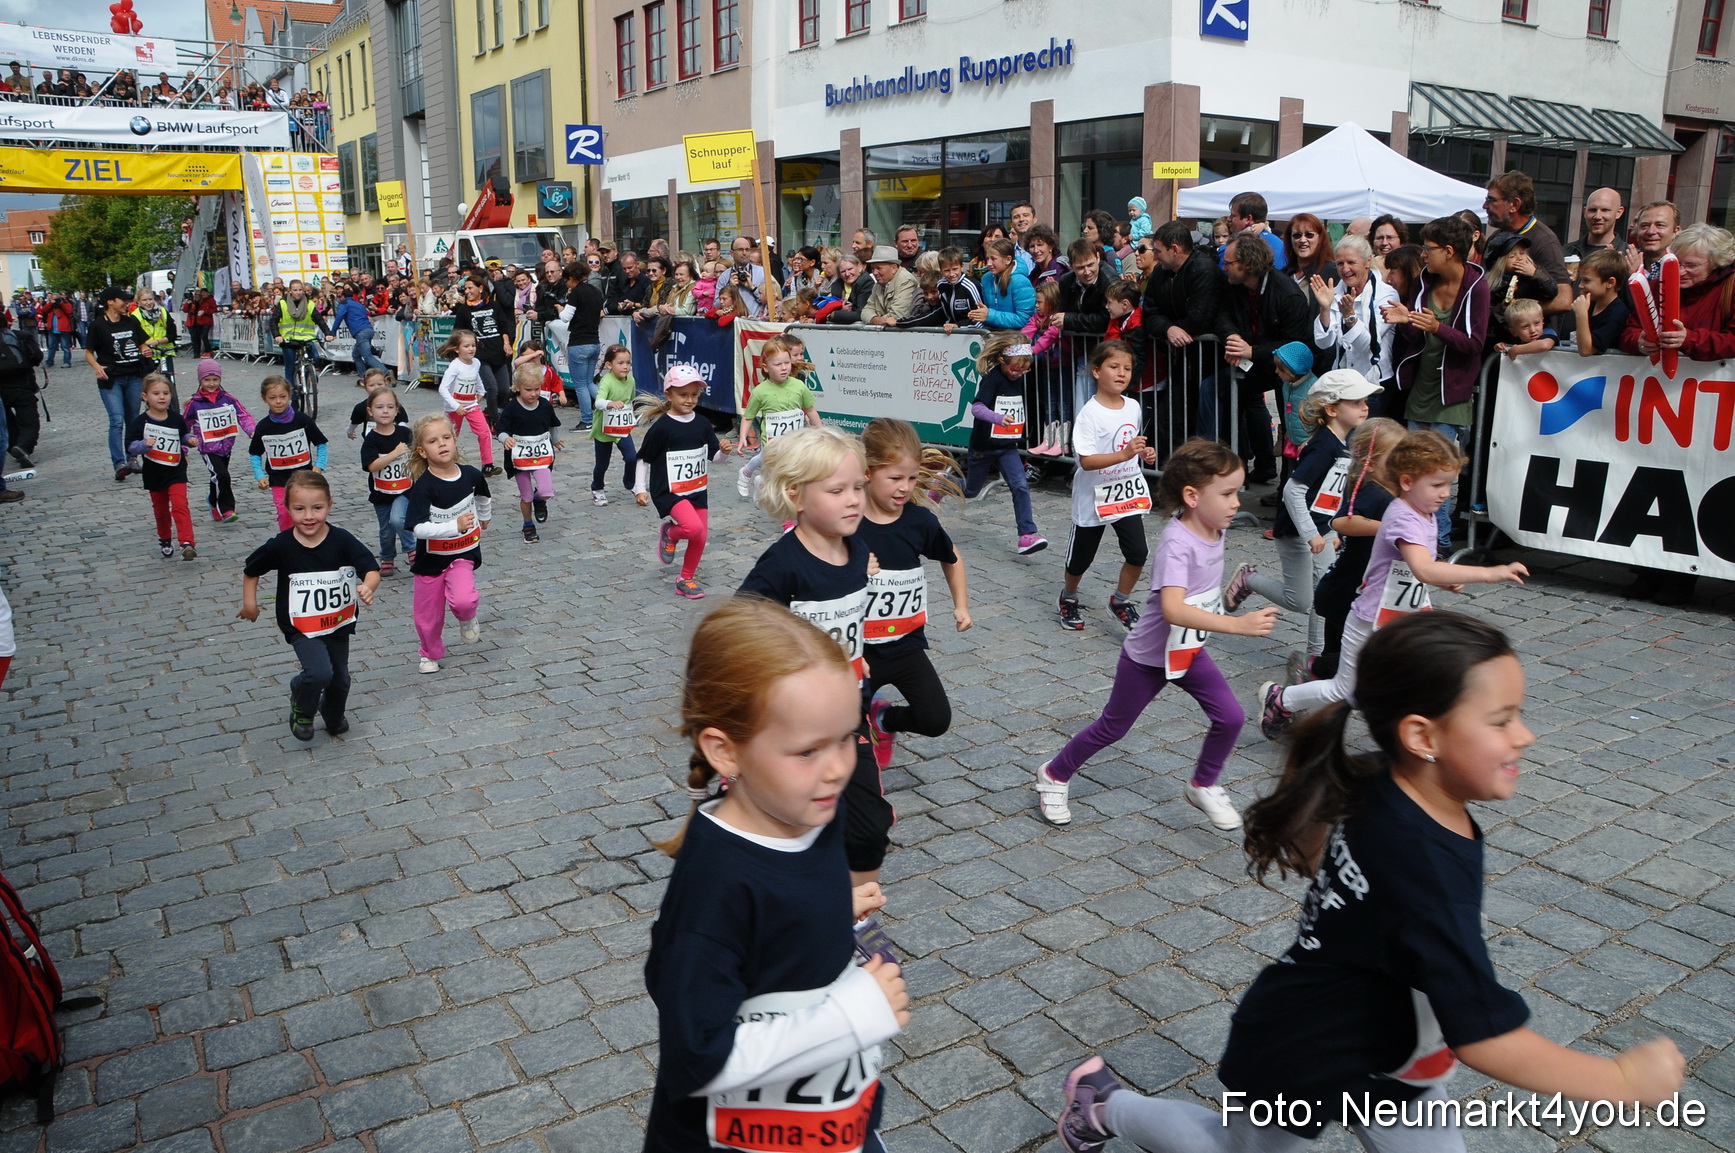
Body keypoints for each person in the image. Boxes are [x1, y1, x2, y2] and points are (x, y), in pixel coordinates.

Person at [1058, 613, 1686, 1153]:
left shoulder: (1384, 775)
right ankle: (1104, 1103)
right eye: (1501, 720)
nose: (1525, 735)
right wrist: (1623, 1084)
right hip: (1300, 1049)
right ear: (1422, 736)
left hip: (1401, 1062)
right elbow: (1488, 1039)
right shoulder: (1423, 873)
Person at [641, 597, 907, 1153]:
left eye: (846, 737)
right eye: (807, 750)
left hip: (834, 1121)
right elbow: (695, 1057)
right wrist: (850, 1017)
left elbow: (779, 916)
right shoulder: (716, 888)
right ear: (726, 751)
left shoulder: (807, 809)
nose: (837, 767)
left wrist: (832, 908)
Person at [1035, 437, 1276, 832]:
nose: (1237, 502)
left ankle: (1203, 784)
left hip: (1188, 652)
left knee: (1231, 717)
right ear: (1192, 496)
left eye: (1238, 492)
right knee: (1112, 727)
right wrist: (1237, 625)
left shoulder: (1216, 528)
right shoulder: (1177, 543)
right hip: (1148, 658)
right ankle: (1055, 773)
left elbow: (1202, 595)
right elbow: (1173, 608)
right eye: (1229, 493)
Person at [1259, 430, 1527, 738]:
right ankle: (1282, 699)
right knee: (1346, 690)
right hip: (1372, 618)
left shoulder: (1423, 513)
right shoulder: (1403, 517)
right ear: (1408, 482)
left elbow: (1417, 568)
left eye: (1449, 485)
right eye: (1437, 485)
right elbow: (1424, 569)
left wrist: (1445, 580)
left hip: (1400, 620)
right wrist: (1489, 573)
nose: (1445, 494)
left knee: (1397, 685)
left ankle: (1415, 741)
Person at [738, 427, 886, 875]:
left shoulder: (857, 548)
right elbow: (738, 631)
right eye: (837, 490)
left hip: (845, 717)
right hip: (793, 726)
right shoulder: (781, 566)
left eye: (859, 487)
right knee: (796, 825)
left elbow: (850, 621)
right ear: (795, 496)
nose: (855, 499)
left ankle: (856, 916)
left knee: (869, 827)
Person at [1231, 370, 1378, 666]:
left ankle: (1313, 659)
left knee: (1311, 598)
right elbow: (1293, 491)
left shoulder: (1345, 443)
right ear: (1333, 409)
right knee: (1307, 599)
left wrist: (1335, 530)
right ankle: (1314, 659)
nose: (1365, 407)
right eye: (1357, 401)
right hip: (1296, 530)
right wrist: (1312, 533)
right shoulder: (1324, 446)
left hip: (1321, 531)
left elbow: (1333, 493)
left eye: (1365, 401)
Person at [856, 418, 970, 773]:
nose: (904, 488)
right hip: (859, 651)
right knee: (845, 738)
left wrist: (961, 605)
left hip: (906, 646)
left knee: (936, 719)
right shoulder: (847, 520)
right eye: (895, 479)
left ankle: (886, 721)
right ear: (867, 472)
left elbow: (951, 558)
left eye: (911, 477)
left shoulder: (920, 522)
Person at [238, 469, 380, 742]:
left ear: (329, 505)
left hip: (337, 622)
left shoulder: (342, 540)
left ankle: (332, 713)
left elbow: (370, 569)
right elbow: (251, 570)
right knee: (319, 672)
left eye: (317, 508)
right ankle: (302, 709)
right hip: (301, 626)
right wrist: (250, 605)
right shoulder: (282, 545)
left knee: (340, 680)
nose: (309, 516)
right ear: (287, 508)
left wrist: (368, 586)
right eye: (299, 509)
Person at [1381, 215, 1490, 554]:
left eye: (1428, 249)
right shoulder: (1425, 280)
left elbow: (1474, 343)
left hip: (1452, 394)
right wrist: (1405, 320)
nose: (1423, 255)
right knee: (1414, 468)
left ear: (1449, 250)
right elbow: (1416, 332)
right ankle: (1416, 536)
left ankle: (1437, 542)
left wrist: (1436, 328)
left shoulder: (1477, 286)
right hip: (1421, 387)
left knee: (1437, 473)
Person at [1058, 341, 1156, 631]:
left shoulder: (1134, 407)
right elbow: (1086, 460)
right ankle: (1069, 596)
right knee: (1080, 559)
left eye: (1127, 368)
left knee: (1138, 553)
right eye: (1114, 367)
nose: (1122, 373)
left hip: (1125, 492)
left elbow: (1130, 442)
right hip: (1093, 495)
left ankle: (1121, 600)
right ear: (1096, 371)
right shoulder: (1088, 414)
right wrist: (1125, 453)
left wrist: (1143, 453)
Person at [1309, 417, 1404, 682]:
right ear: (1371, 464)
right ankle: (1311, 675)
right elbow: (1342, 521)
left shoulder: (1392, 490)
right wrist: (1386, 527)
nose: (1402, 465)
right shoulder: (1373, 491)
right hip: (1350, 584)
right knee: (1336, 657)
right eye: (1395, 458)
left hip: (1370, 584)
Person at [1217, 230, 1314, 485]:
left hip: (1288, 372)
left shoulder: (1286, 294)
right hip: (1256, 365)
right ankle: (1240, 470)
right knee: (1225, 390)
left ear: (1247, 264)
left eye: (1228, 263)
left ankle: (1288, 493)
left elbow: (1296, 344)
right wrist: (1233, 337)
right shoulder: (1234, 287)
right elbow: (1222, 315)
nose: (1223, 268)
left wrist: (1252, 351)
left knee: (1291, 427)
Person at [634, 363, 735, 600]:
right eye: (683, 395)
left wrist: (725, 452)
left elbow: (715, 459)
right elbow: (643, 459)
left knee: (700, 536)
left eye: (694, 395)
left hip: (697, 489)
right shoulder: (662, 428)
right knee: (692, 528)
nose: (689, 400)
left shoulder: (701, 423)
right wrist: (640, 488)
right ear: (668, 394)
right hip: (670, 491)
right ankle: (670, 532)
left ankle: (685, 579)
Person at [404, 413, 492, 674]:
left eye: (446, 438)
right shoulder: (424, 487)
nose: (441, 444)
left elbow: (484, 497)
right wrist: (452, 527)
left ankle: (467, 619)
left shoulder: (471, 475)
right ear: (422, 450)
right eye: (433, 441)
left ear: (455, 440)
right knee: (428, 617)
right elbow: (418, 528)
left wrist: (485, 518)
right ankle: (429, 654)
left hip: (462, 554)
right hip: (430, 562)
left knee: (463, 600)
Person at [964, 333, 1047, 555]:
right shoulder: (992, 379)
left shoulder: (1019, 376)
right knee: (970, 490)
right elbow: (976, 408)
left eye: (1024, 369)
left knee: (1020, 485)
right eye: (1015, 369)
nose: (1019, 373)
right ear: (1002, 361)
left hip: (1007, 445)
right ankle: (945, 482)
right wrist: (998, 418)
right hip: (984, 446)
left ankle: (1026, 535)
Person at [1619, 223, 1735, 363]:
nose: (1680, 272)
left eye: (1691, 265)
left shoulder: (1729, 288)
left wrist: (1690, 339)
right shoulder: (1658, 285)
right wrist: (1639, 342)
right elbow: (1630, 329)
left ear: (1716, 263)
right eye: (1676, 263)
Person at [1482, 170, 1572, 340]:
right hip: (1495, 341)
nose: (1485, 206)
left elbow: (1564, 299)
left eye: (1491, 200)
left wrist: (1513, 313)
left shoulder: (1545, 241)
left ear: (1514, 205)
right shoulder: (1496, 237)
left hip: (1527, 351)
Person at [1310, 234, 1398, 404]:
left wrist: (1350, 317)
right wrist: (1325, 308)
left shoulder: (1386, 294)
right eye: (1340, 264)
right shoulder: (1335, 292)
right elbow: (1323, 342)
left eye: (1351, 262)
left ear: (1367, 261)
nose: (1345, 269)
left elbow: (1369, 346)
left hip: (1375, 383)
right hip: (1343, 380)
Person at [86, 286, 157, 482]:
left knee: (133, 419)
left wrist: (145, 351)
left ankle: (132, 457)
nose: (126, 303)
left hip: (133, 375)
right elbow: (88, 352)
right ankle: (119, 463)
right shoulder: (98, 325)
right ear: (110, 302)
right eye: (122, 300)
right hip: (111, 379)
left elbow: (142, 343)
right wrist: (96, 366)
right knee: (116, 420)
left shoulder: (131, 321)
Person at [738, 335, 821, 501]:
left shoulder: (799, 386)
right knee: (774, 471)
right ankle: (756, 479)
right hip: (771, 443)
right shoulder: (760, 391)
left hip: (794, 442)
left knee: (791, 476)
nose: (783, 368)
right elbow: (748, 417)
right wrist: (742, 438)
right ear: (766, 367)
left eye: (787, 363)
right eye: (777, 364)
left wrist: (821, 431)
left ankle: (764, 484)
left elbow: (810, 409)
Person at [125, 374, 198, 561]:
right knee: (161, 510)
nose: (162, 397)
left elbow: (181, 434)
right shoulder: (140, 421)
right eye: (156, 393)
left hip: (176, 469)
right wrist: (144, 445)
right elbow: (130, 445)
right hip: (154, 472)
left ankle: (187, 542)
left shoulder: (176, 418)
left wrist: (189, 440)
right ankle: (165, 538)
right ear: (145, 396)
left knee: (180, 504)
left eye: (166, 393)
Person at [250, 375, 330, 532]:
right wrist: (259, 475)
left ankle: (309, 537)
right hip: (278, 480)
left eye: (283, 397)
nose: (278, 402)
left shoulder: (302, 420)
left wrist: (319, 466)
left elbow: (321, 442)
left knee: (307, 512)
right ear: (264, 398)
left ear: (290, 395)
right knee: (284, 512)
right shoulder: (263, 427)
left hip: (304, 478)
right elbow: (255, 453)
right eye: (272, 398)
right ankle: (289, 542)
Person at [495, 363, 565, 543]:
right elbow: (500, 429)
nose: (533, 394)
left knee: (547, 491)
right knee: (525, 495)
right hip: (519, 459)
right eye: (528, 389)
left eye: (537, 389)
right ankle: (528, 525)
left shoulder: (544, 405)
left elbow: (552, 424)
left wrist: (555, 440)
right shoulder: (511, 408)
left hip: (542, 456)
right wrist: (505, 439)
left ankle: (539, 500)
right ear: (517, 388)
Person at [182, 358, 256, 524]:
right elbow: (184, 427)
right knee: (222, 475)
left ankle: (213, 500)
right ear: (200, 380)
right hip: (207, 448)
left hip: (226, 445)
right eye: (207, 380)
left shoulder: (228, 399)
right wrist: (184, 449)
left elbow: (243, 415)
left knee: (217, 476)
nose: (211, 384)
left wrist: (252, 431)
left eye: (215, 379)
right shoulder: (194, 403)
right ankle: (226, 509)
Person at [358, 387, 415, 576]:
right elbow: (371, 466)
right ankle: (387, 556)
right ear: (370, 411)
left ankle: (412, 549)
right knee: (386, 529)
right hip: (381, 492)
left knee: (398, 519)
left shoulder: (405, 434)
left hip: (405, 490)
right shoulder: (371, 439)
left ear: (397, 410)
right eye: (380, 407)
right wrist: (393, 454)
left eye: (390, 407)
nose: (385, 411)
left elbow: (417, 455)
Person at [438, 328, 499, 476]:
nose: (471, 349)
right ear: (456, 349)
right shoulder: (454, 366)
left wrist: (481, 391)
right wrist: (456, 406)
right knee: (451, 435)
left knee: (484, 432)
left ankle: (487, 464)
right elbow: (443, 389)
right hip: (455, 407)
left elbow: (475, 377)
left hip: (471, 404)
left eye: (473, 345)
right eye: (466, 346)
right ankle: (447, 463)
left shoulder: (476, 362)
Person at [451, 276, 512, 422]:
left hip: (498, 352)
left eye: (470, 287)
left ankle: (492, 411)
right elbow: (457, 332)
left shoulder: (494, 305)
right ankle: (494, 420)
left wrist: (506, 343)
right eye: (465, 288)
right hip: (480, 356)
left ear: (480, 288)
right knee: (491, 389)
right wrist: (469, 340)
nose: (467, 291)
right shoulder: (464, 310)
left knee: (504, 390)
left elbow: (504, 326)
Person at [589, 344, 639, 505]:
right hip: (604, 429)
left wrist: (630, 417)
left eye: (628, 363)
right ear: (609, 365)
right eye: (621, 363)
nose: (625, 366)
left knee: (632, 457)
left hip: (621, 428)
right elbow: (598, 402)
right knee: (602, 464)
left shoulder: (630, 379)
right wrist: (610, 404)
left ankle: (630, 483)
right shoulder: (607, 381)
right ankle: (597, 488)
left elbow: (630, 400)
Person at [559, 262, 605, 427]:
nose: (566, 283)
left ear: (571, 278)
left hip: (579, 343)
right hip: (594, 342)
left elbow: (565, 317)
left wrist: (559, 308)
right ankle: (609, 408)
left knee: (580, 385)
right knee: (589, 383)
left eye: (566, 280)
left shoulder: (576, 293)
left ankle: (587, 420)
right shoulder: (596, 291)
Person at [896, 246, 983, 331]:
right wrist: (901, 322)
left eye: (955, 269)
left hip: (969, 334)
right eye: (947, 270)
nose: (952, 274)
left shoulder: (971, 286)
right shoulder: (941, 285)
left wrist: (958, 326)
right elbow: (939, 313)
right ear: (941, 270)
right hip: (949, 332)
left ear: (962, 266)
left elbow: (980, 320)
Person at [0, 312, 42, 475]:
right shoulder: (21, 336)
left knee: (7, 422)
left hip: (1, 390)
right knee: (29, 420)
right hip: (22, 384)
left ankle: (14, 446)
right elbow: (37, 357)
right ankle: (23, 446)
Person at [1570, 247, 1632, 356]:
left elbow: (1586, 350)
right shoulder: (1592, 303)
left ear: (1610, 282)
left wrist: (1581, 315)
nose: (1580, 285)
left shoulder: (1617, 313)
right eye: (1581, 280)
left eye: (1587, 280)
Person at [268, 280, 325, 389]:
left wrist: (328, 333)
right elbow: (273, 321)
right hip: (288, 340)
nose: (298, 292)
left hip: (306, 338)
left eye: (300, 290)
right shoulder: (283, 303)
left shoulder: (309, 303)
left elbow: (319, 320)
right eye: (295, 290)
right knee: (290, 367)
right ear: (290, 291)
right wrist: (277, 335)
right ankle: (293, 395)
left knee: (316, 358)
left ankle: (309, 375)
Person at [970, 238, 1036, 329]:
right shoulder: (986, 279)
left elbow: (1025, 320)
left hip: (1016, 339)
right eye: (987, 258)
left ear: (1008, 259)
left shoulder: (1020, 282)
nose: (988, 263)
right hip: (993, 337)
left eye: (993, 259)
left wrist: (990, 316)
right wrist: (978, 315)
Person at [329, 286, 386, 378]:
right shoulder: (359, 304)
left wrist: (333, 332)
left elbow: (339, 316)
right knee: (355, 355)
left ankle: (386, 372)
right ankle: (363, 377)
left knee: (367, 357)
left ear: (343, 296)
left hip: (360, 332)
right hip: (369, 329)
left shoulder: (344, 304)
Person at [1563, 186, 1625, 267]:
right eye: (1592, 210)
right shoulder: (1565, 251)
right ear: (1584, 212)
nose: (1597, 216)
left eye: (1605, 210)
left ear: (1619, 212)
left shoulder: (1628, 257)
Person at [1228, 192, 1288, 271]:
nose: (1229, 219)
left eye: (1233, 215)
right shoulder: (1279, 243)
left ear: (1248, 219)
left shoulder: (1238, 246)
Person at [859, 247, 918, 326]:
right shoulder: (878, 285)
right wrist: (873, 319)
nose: (874, 272)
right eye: (873, 268)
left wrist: (876, 320)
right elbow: (866, 310)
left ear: (894, 268)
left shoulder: (906, 281)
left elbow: (898, 314)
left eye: (878, 268)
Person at [1492, 298, 1557, 359]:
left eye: (1537, 323)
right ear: (1514, 332)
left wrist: (1517, 350)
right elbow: (1509, 348)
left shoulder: (1548, 333)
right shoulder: (1519, 340)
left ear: (1542, 321)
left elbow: (1544, 345)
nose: (1533, 330)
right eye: (1525, 327)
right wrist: (1501, 347)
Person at [1283, 212, 1336, 287]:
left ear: (1320, 238)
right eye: (1297, 235)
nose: (1302, 240)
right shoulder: (1283, 275)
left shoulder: (1333, 272)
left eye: (1309, 235)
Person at [38, 292, 74, 367]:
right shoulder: (51, 306)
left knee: (65, 347)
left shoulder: (65, 303)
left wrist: (60, 303)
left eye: (55, 299)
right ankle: (49, 362)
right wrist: (51, 303)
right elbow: (44, 310)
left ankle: (67, 362)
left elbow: (69, 311)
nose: (54, 301)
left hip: (63, 329)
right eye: (53, 299)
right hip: (52, 329)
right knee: (51, 347)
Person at [183, 288, 216, 359]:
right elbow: (185, 310)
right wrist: (187, 303)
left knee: (199, 337)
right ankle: (196, 353)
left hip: (199, 321)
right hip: (192, 322)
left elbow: (212, 309)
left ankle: (203, 351)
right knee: (194, 337)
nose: (198, 295)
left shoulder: (203, 301)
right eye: (196, 294)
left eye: (199, 294)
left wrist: (204, 311)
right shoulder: (191, 302)